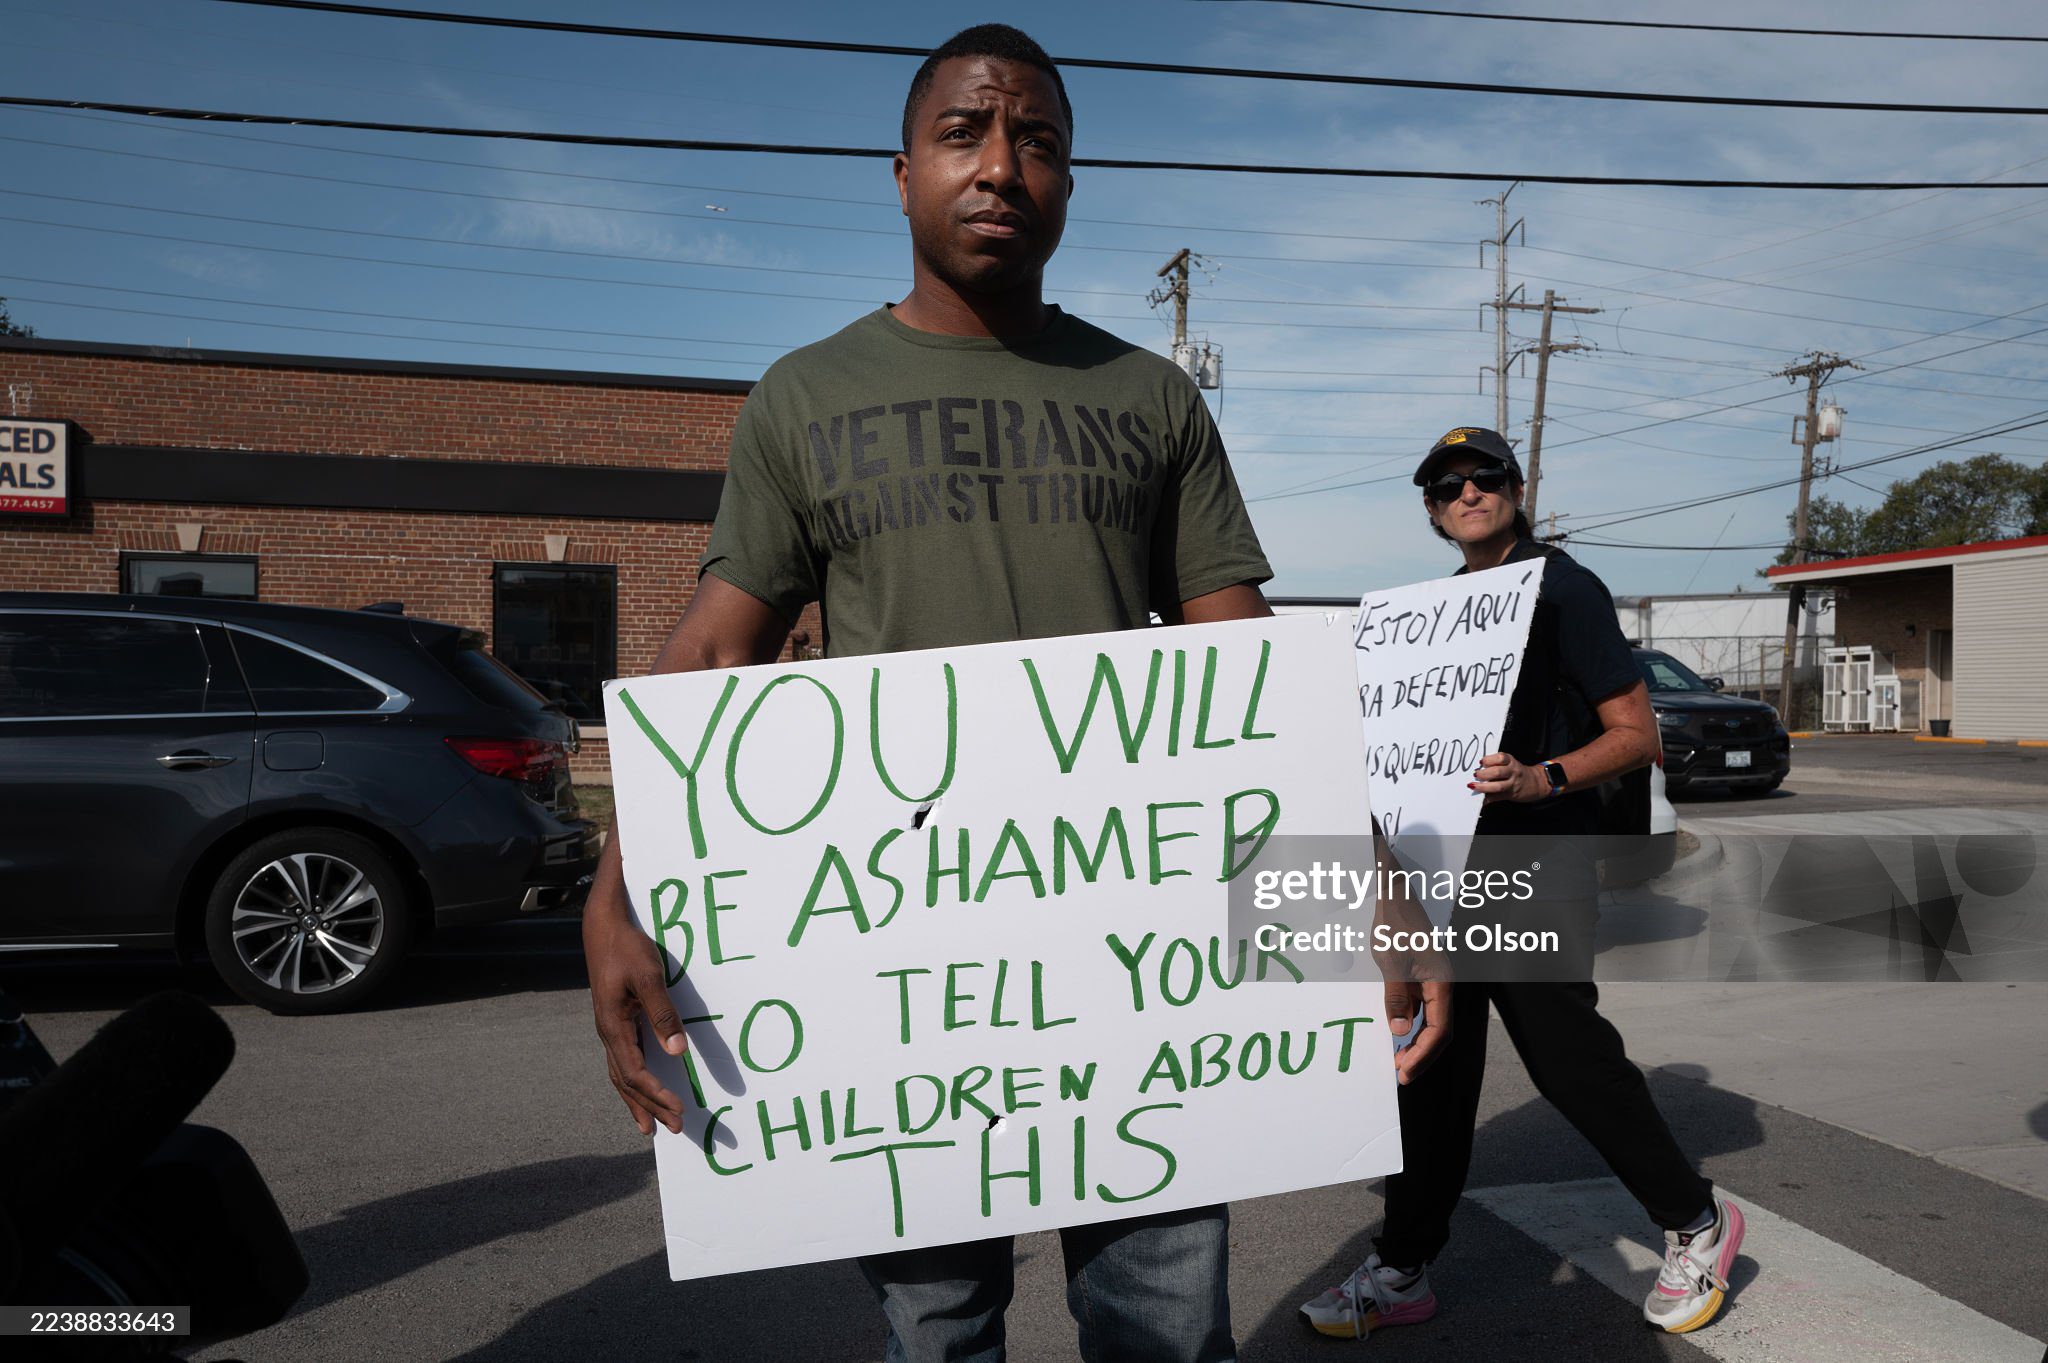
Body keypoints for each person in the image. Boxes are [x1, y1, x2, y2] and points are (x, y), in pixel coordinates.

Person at [582, 24, 1274, 1363]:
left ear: (1071, 184)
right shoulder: (803, 398)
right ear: (899, 173)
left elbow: (1242, 666)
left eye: (1040, 143)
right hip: (898, 974)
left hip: (1143, 962)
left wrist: (1353, 878)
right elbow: (720, 648)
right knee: (937, 1326)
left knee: (1169, 1328)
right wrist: (619, 885)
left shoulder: (1152, 398)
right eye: (966, 133)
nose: (1004, 167)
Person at [1299, 427, 1746, 1340]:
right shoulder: (1439, 611)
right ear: (1430, 510)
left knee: (1564, 1054)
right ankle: (1403, 1266)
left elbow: (1636, 733)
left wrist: (1542, 776)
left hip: (1532, 861)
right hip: (1441, 870)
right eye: (1446, 484)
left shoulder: (1563, 587)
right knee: (1429, 1065)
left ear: (1516, 485)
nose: (1468, 491)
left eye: (1485, 475)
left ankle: (1696, 1217)